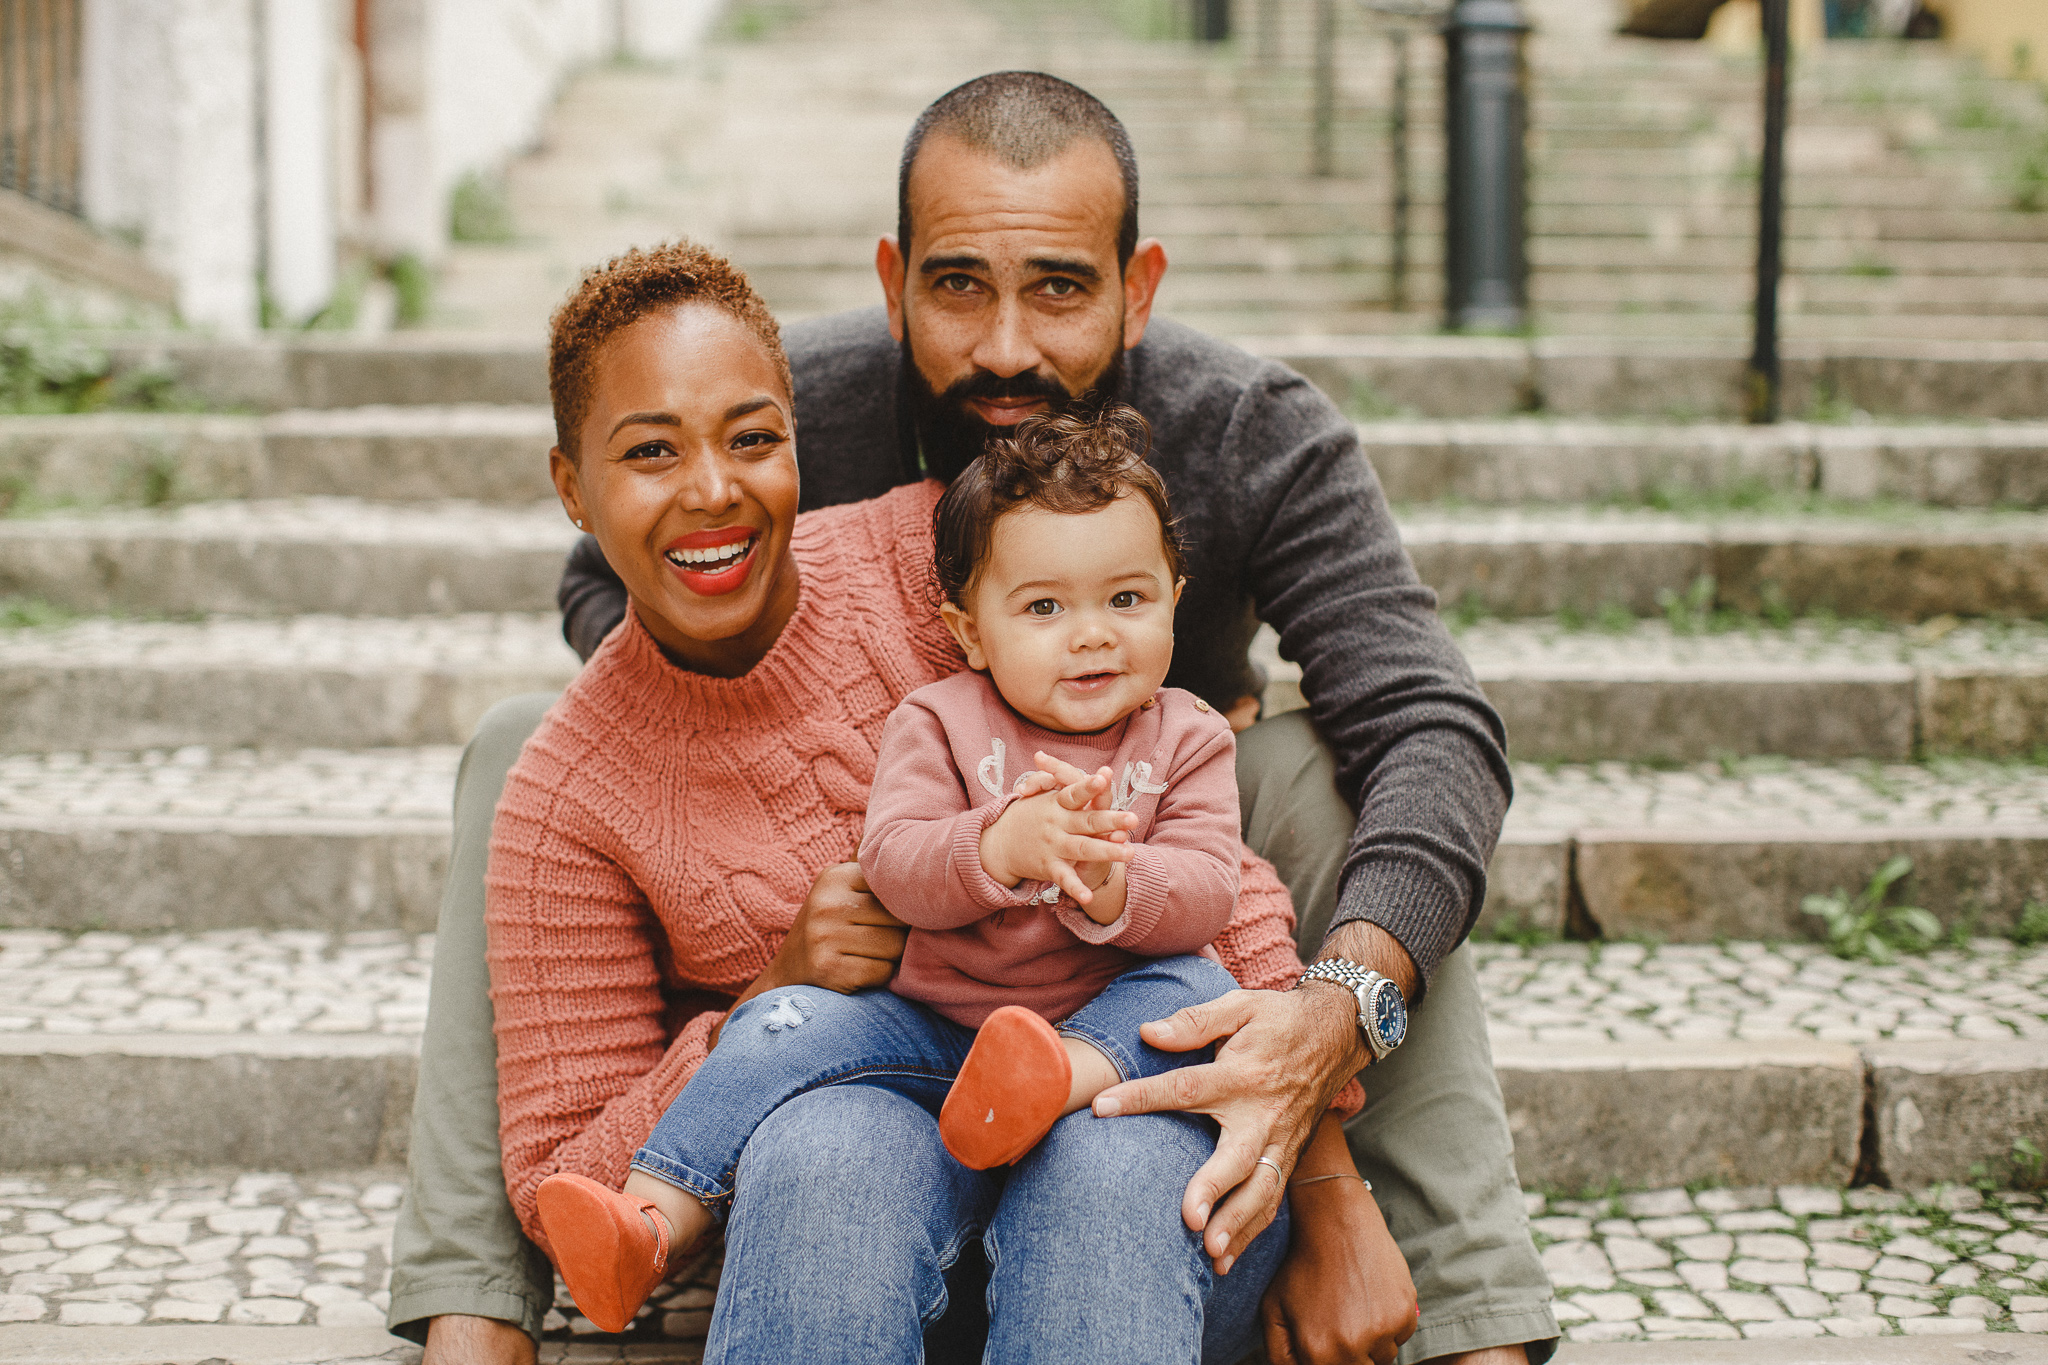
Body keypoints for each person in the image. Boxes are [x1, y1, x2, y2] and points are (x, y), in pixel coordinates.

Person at [391, 71, 1556, 1365]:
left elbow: (1433, 724)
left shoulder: (1253, 432)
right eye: (958, 288)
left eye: (1059, 287)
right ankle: (477, 1298)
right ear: (895, 284)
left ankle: (1461, 1312)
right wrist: (721, 798)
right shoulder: (804, 408)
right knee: (522, 750)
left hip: (1153, 875)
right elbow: (614, 588)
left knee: (1336, 772)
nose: (1007, 347)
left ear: (1139, 286)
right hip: (883, 970)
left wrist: (1330, 1049)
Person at [478, 240, 1413, 1364]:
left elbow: (1207, 865)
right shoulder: (562, 797)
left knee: (1107, 1158)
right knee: (823, 1146)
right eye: (648, 453)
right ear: (571, 487)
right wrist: (775, 992)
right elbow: (556, 1180)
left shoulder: (944, 558)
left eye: (752, 439)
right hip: (855, 1185)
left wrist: (1323, 1178)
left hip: (1120, 1158)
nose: (712, 489)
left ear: (796, 443)